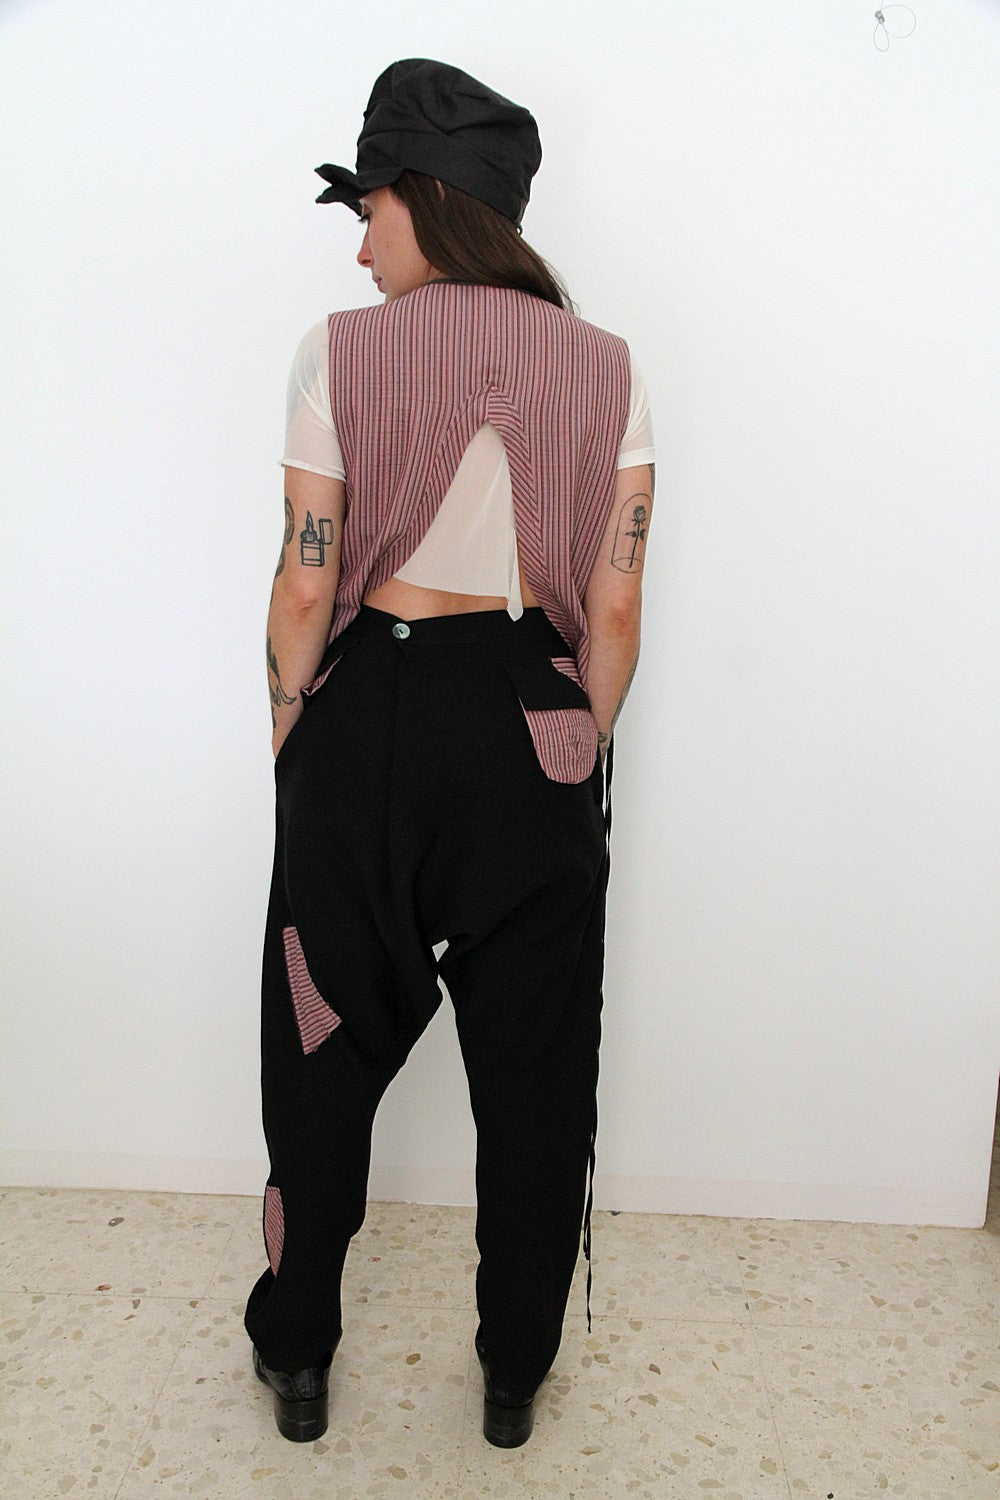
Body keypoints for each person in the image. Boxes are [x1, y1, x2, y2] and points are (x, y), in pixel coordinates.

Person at [244, 57, 654, 1449]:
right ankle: (513, 1373)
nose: (359, 245)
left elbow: (308, 576)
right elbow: (614, 606)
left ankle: (298, 1352)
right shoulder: (605, 364)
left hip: (368, 712)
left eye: (368, 209)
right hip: (534, 720)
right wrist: (575, 745)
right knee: (537, 1065)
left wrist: (294, 725)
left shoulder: (339, 351)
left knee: (319, 1038)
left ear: (425, 197)